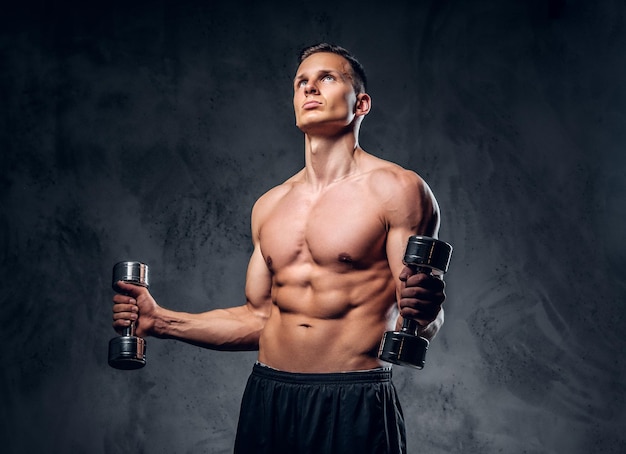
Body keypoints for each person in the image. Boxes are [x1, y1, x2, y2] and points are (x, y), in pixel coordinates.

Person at [112, 43, 447, 454]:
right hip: (268, 396)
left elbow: (416, 319)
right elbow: (259, 318)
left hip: (352, 398)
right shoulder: (270, 206)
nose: (310, 88)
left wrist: (428, 313)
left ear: (361, 102)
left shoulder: (397, 190)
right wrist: (161, 321)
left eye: (327, 78)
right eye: (301, 82)